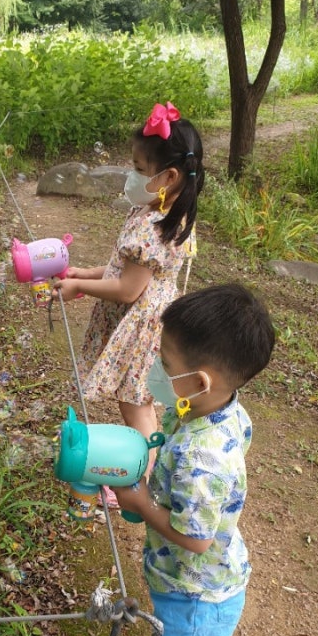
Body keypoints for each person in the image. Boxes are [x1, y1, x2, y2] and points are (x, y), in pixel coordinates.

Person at [113, 283, 275, 636]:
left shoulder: (200, 457)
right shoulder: (220, 410)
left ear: (200, 380)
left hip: (196, 585)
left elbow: (196, 537)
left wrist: (140, 501)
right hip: (199, 577)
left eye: (164, 361)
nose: (157, 369)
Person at [54, 101, 205, 504]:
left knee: (135, 404)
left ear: (168, 176)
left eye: (140, 169)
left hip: (140, 325)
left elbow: (127, 290)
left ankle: (138, 482)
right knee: (134, 400)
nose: (131, 176)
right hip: (141, 318)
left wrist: (79, 290)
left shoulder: (155, 227)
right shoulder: (161, 210)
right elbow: (119, 271)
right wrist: (82, 273)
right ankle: (140, 472)